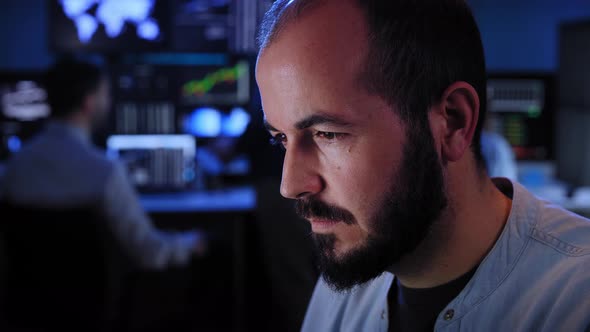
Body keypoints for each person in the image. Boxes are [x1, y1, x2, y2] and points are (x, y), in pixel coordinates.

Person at [255, 1, 590, 331]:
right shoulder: (349, 272)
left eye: (328, 134)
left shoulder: (576, 301)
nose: (290, 185)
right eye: (281, 139)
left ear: (452, 122)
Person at [0, 57, 206, 270]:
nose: (108, 101)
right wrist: (190, 243)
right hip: (87, 299)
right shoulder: (105, 172)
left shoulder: (14, 167)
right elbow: (149, 252)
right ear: (89, 103)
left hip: (22, 299)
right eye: (105, 94)